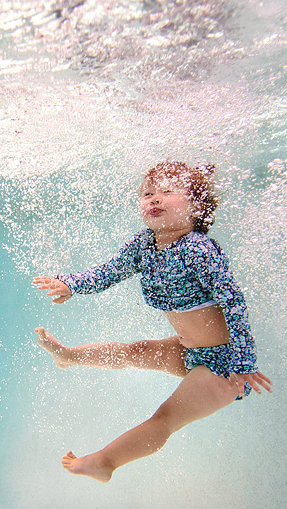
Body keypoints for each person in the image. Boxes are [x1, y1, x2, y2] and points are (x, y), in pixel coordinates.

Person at [33, 160, 272, 483]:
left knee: (165, 418)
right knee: (134, 351)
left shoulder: (199, 249)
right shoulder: (143, 245)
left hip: (225, 367)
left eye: (167, 192)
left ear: (196, 207)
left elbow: (234, 302)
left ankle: (104, 463)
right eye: (147, 193)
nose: (154, 199)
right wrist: (70, 284)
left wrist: (244, 361)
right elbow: (108, 272)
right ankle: (69, 357)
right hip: (190, 352)